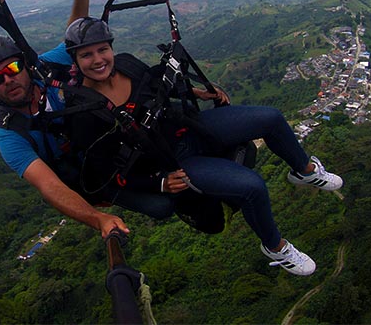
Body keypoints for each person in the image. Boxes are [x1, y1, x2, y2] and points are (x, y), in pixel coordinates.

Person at [61, 16, 344, 276]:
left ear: (111, 48)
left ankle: (305, 171)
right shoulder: (85, 112)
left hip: (190, 129)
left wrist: (199, 92)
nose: (98, 60)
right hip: (174, 163)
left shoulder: (126, 64)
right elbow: (106, 173)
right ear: (75, 59)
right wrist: (158, 184)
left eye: (102, 50)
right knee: (253, 187)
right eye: (87, 54)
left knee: (271, 118)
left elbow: (159, 88)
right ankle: (276, 246)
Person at [0, 0, 130, 238]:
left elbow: (73, 40)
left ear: (26, 66)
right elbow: (48, 186)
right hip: (89, 180)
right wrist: (97, 219)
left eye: (13, 70)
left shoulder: (44, 68)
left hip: (111, 148)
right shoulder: (10, 134)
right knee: (159, 206)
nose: (9, 80)